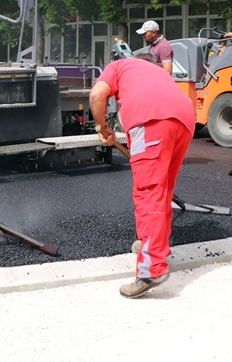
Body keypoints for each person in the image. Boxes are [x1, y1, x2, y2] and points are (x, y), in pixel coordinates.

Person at [89, 55, 196, 299]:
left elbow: (96, 96)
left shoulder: (117, 66)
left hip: (151, 121)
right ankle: (154, 246)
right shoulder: (156, 71)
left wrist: (101, 127)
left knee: (148, 193)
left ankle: (151, 269)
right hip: (184, 119)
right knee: (163, 189)